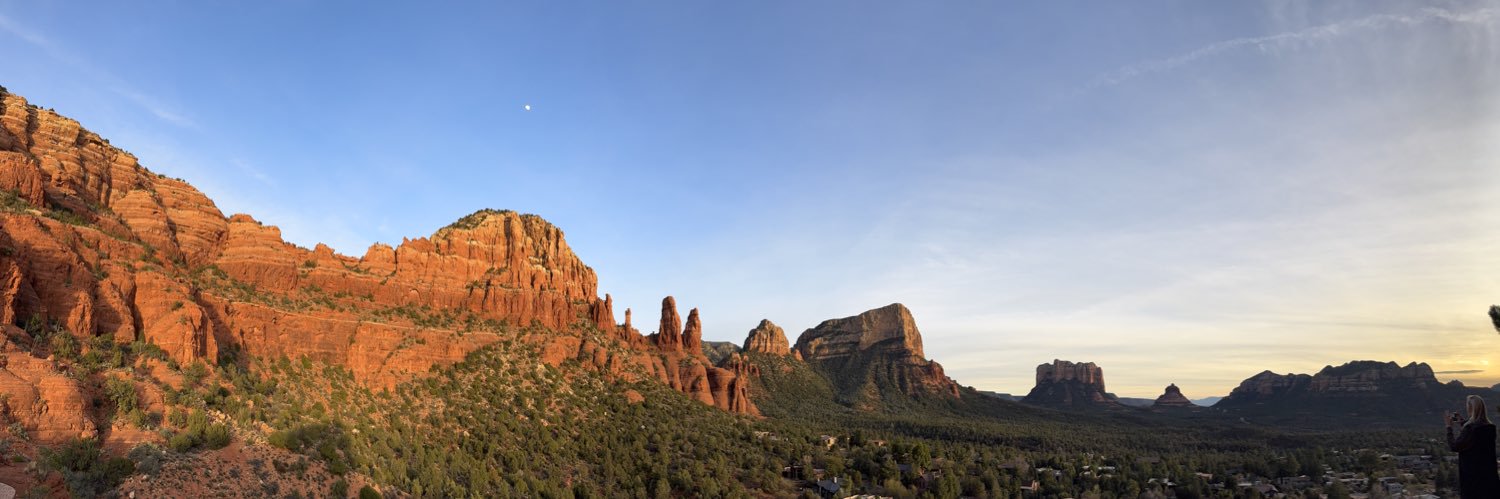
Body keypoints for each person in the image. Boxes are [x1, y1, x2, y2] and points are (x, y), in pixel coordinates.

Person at [1446, 395, 1500, 498]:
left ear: (1471, 409)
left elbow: (1454, 446)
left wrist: (1449, 428)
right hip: (1489, 478)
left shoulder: (1471, 429)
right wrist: (1463, 422)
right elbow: (1476, 437)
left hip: (1473, 478)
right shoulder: (1490, 428)